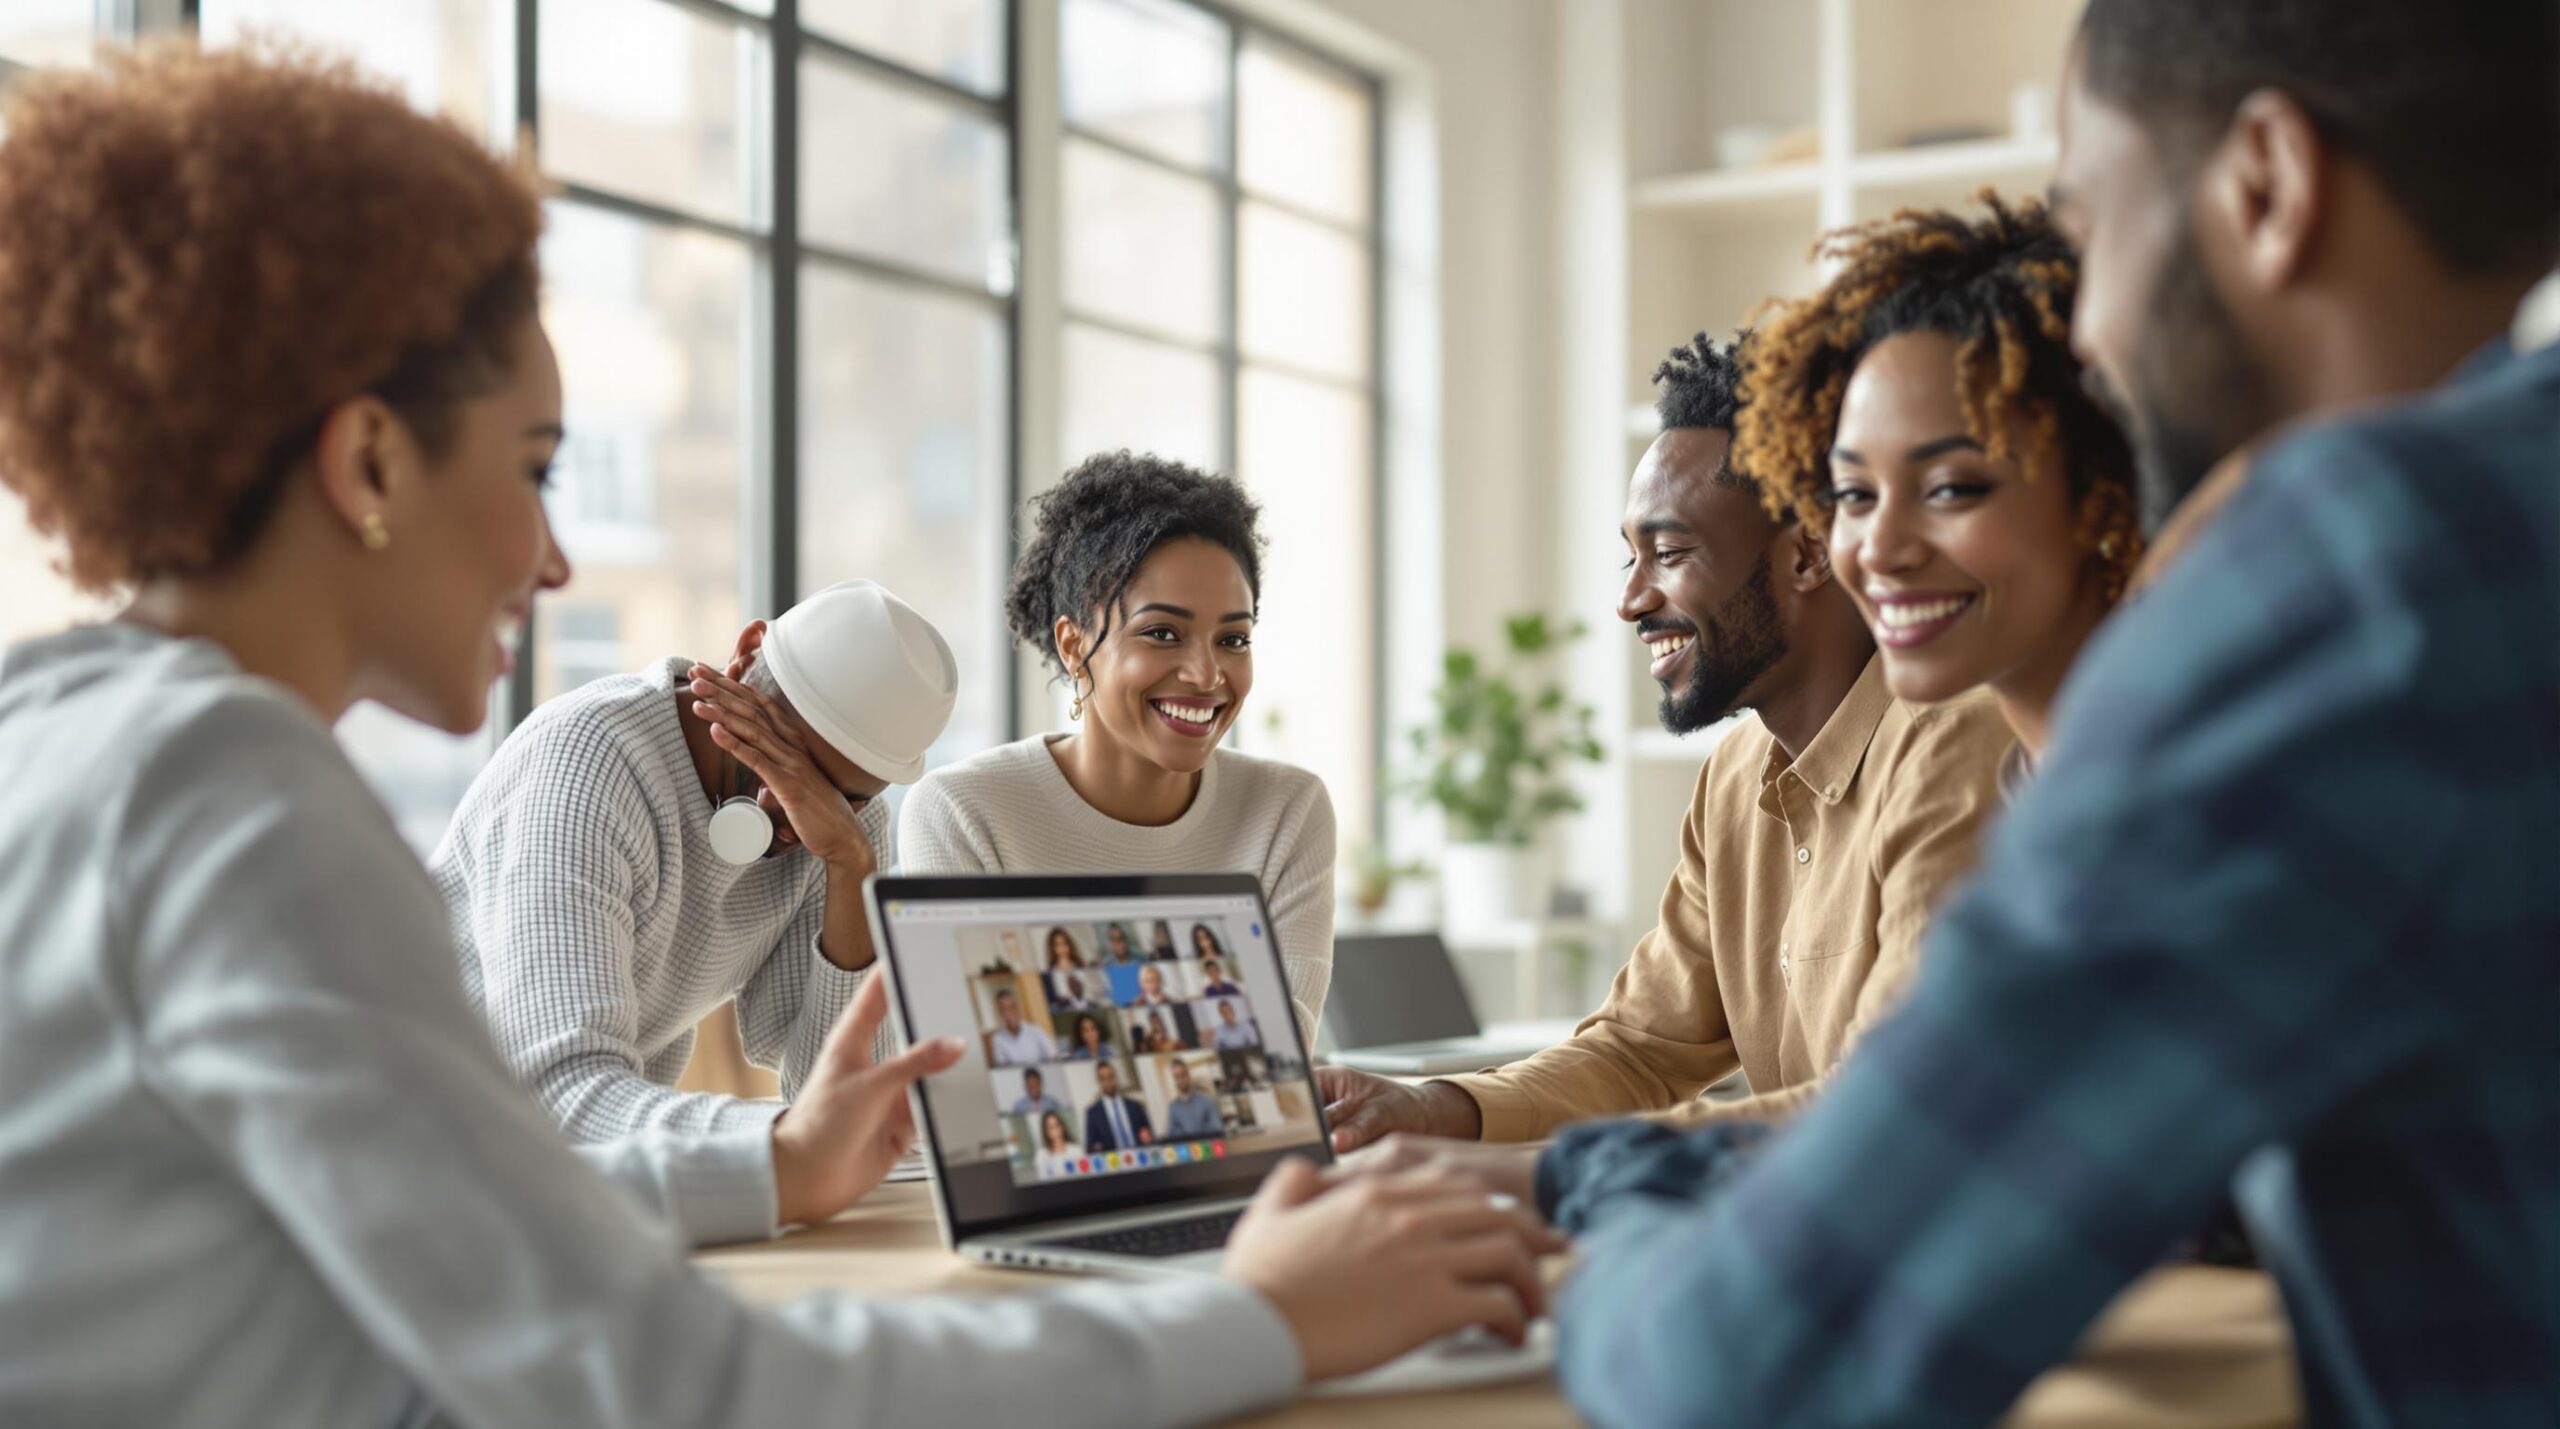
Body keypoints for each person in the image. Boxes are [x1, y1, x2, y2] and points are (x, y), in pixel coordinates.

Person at [0, 44, 1563, 1427]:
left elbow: (462, 1222)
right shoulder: (233, 806)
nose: (553, 560)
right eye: (539, 466)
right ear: (368, 462)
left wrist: (779, 1164)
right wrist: (1263, 1316)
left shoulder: (80, 738)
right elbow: (679, 1384)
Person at [1528, 4, 2560, 1424]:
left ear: (2266, 184)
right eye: (1850, 487)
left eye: (2090, 218)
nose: (2088, 331)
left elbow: (1755, 1360)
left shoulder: (2361, 563)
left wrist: (1598, 1180)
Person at [1319, 333, 2015, 1154]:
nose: (1631, 599)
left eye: (1671, 552)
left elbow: (1888, 1110)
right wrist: (1430, 1108)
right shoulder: (1735, 777)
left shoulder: (1959, 741)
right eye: (1630, 556)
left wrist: (1559, 1177)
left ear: (1807, 556)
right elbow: (1640, 1050)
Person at [434, 572, 958, 1141]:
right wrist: (793, 1139)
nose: (794, 816)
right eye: (782, 758)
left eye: (840, 797)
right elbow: (557, 1094)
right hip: (436, 1127)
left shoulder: (842, 832)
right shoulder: (586, 763)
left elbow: (833, 1090)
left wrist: (851, 867)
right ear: (745, 656)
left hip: (584, 1164)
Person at [899, 454, 1336, 1041]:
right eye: (1162, 633)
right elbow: (972, 1069)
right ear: (1074, 645)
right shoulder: (962, 812)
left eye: (1233, 639)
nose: (1207, 675)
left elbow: (1278, 1061)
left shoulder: (1287, 810)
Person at [1743, 196, 2142, 772]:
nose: (1879, 547)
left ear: (2102, 487)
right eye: (1854, 494)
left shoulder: (2184, 769)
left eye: (1950, 490)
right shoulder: (2037, 772)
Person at [1083, 1062, 1154, 1154]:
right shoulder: (1093, 1113)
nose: (1107, 1081)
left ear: (1116, 1077)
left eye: (1110, 1076)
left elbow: (1149, 1136)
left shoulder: (1135, 1106)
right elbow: (1090, 1149)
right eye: (1103, 1078)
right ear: (1099, 1082)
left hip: (1141, 1158)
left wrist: (1148, 1139)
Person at [987, 989, 1057, 1068]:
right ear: (1000, 1013)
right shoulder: (997, 1039)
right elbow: (1002, 1069)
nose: (1009, 1012)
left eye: (1012, 1007)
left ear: (1018, 1008)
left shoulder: (1037, 1031)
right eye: (1004, 1009)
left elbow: (1052, 1058)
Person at [1163, 1060, 1225, 1139]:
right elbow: (1172, 1136)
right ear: (1174, 1080)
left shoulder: (1207, 1102)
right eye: (1176, 1077)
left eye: (1183, 1075)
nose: (1180, 1080)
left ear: (1188, 1076)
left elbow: (1217, 1130)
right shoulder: (1173, 1108)